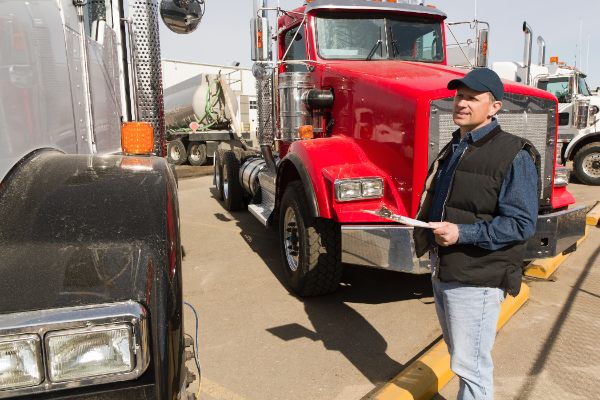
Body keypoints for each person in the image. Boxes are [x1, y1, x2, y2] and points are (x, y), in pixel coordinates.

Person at [413, 68, 540, 400]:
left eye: (472, 98)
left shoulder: (514, 154)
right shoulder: (458, 145)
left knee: (472, 369)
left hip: (477, 279)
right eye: (459, 96)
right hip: (446, 268)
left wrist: (461, 233)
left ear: (494, 107)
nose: (462, 103)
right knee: (462, 361)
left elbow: (521, 224)